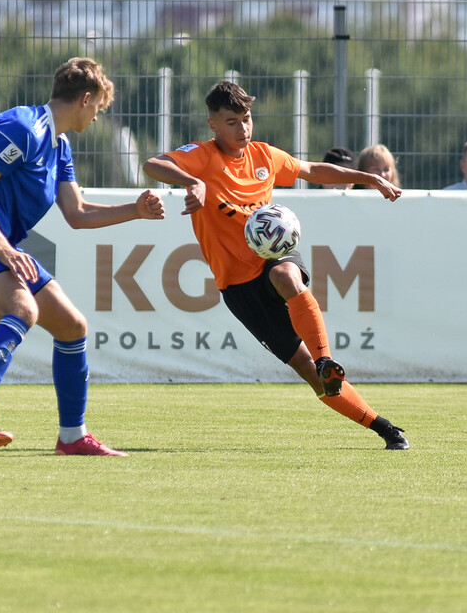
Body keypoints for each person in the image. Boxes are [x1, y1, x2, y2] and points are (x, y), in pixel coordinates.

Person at [142, 80, 409, 450]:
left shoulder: (264, 156)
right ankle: (384, 428)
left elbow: (314, 170)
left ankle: (326, 358)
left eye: (247, 119)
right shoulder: (202, 157)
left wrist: (369, 177)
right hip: (237, 286)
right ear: (213, 125)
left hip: (271, 257)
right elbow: (153, 163)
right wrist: (192, 181)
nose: (242, 129)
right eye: (232, 121)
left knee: (285, 275)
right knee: (309, 374)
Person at [0, 57, 165, 456]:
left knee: (73, 326)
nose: (98, 117)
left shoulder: (59, 145)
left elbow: (77, 214)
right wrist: (2, 247)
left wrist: (136, 210)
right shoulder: (22, 128)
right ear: (86, 99)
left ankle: (72, 438)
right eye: (99, 109)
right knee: (23, 310)